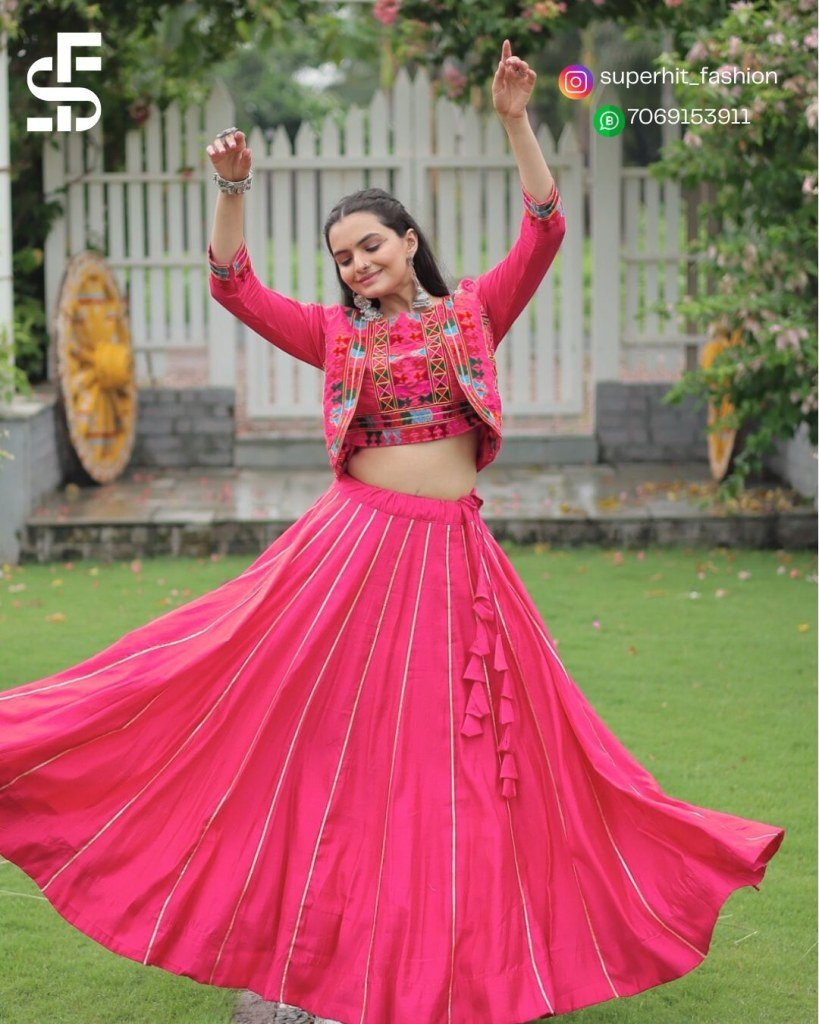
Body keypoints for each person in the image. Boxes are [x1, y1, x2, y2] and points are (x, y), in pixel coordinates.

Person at [0, 40, 784, 1024]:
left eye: (370, 244)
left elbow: (545, 230)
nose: (358, 263)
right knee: (299, 731)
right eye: (343, 256)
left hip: (453, 560)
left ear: (408, 240)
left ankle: (447, 955)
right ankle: (310, 957)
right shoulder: (337, 334)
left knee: (465, 764)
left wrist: (515, 123)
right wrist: (233, 190)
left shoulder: (473, 315)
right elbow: (233, 285)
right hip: (351, 557)